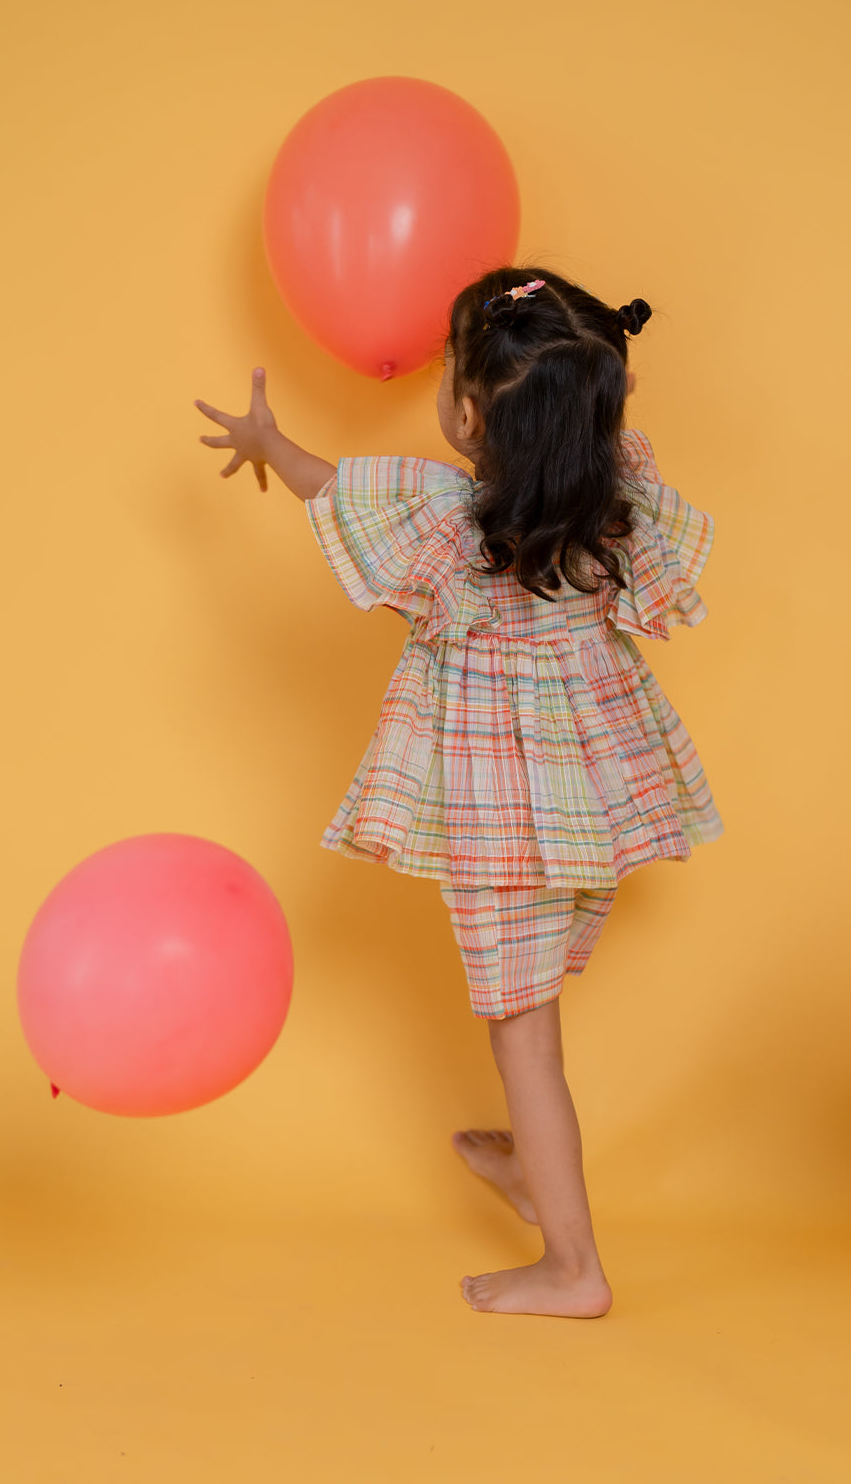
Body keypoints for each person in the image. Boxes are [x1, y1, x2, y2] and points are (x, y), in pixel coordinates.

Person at [195, 266, 723, 1317]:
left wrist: (268, 443)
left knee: (522, 1035)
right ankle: (538, 1172)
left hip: (509, 818)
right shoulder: (615, 502)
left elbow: (332, 488)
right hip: (597, 805)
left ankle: (574, 1268)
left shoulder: (447, 525)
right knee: (533, 1013)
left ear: (470, 414)